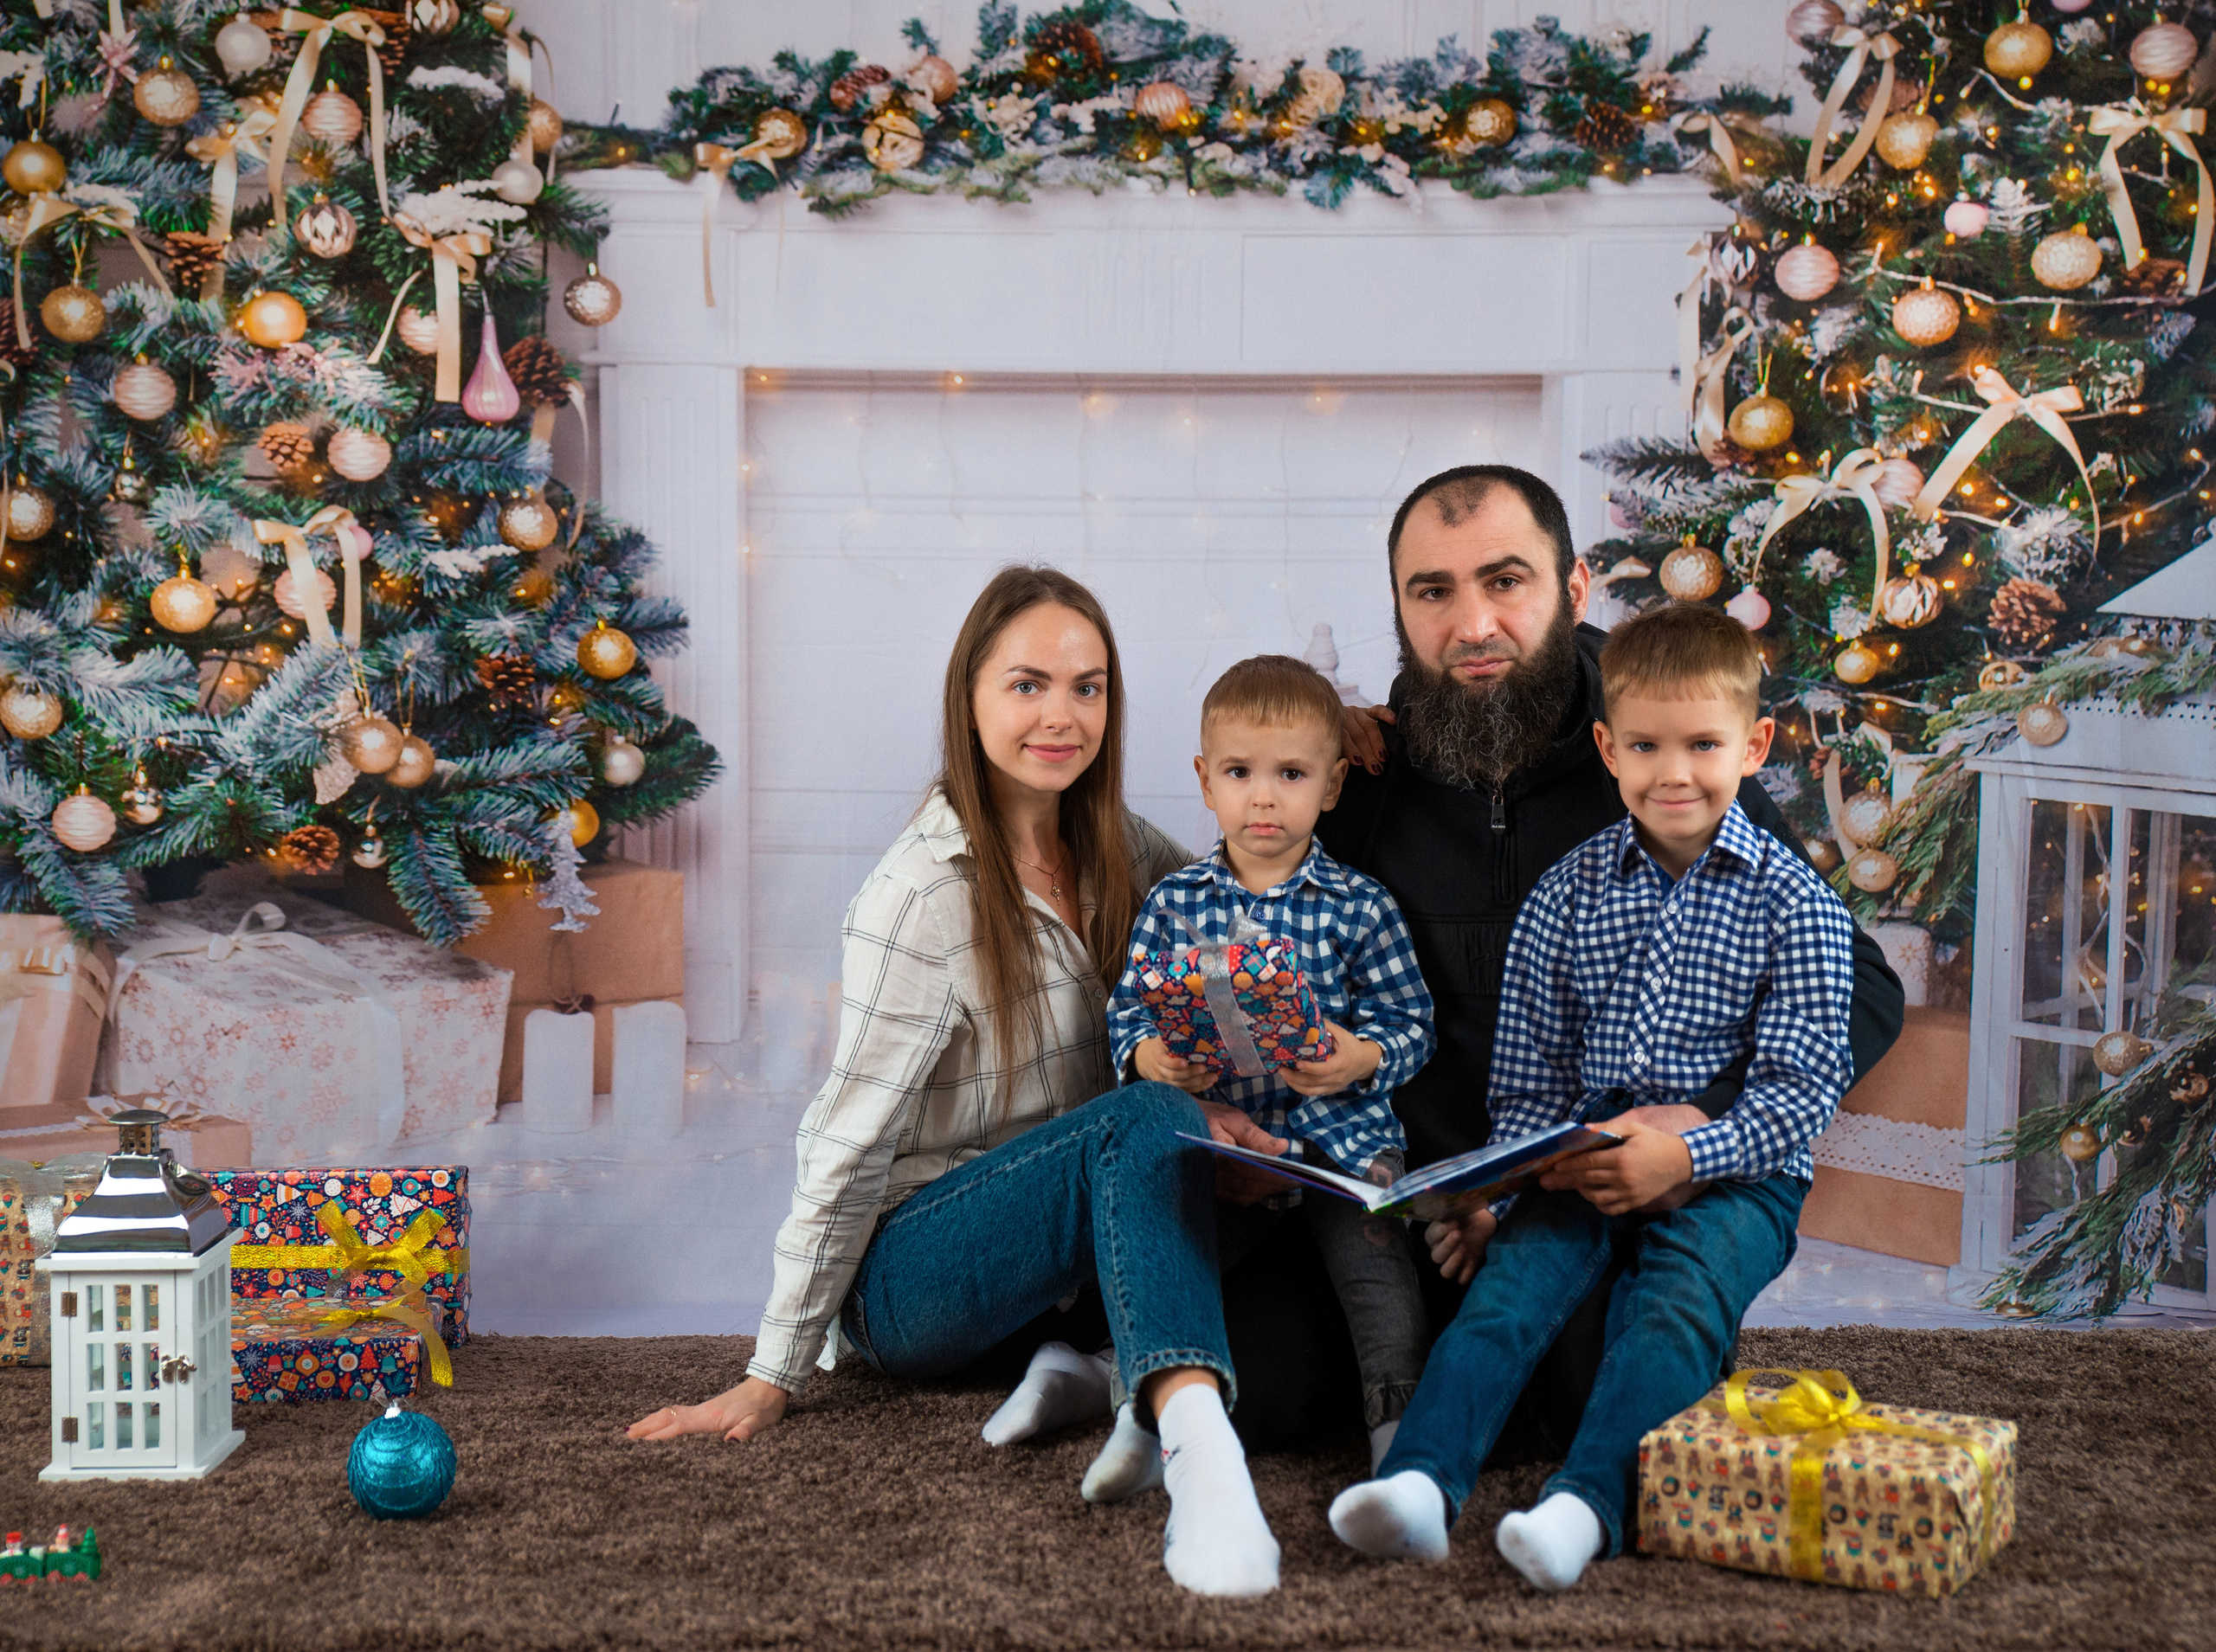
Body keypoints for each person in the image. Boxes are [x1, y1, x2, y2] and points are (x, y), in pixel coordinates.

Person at [625, 565, 1289, 1598]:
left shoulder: (1121, 851)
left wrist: (1349, 762)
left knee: (1263, 1153)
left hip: (1047, 1266)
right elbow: (843, 1146)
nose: (1061, 716)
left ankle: (1090, 1371)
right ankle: (1203, 1464)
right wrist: (772, 1373)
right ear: (969, 697)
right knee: (1152, 1116)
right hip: (913, 1278)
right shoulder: (921, 897)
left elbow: (1259, 877)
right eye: (1027, 684)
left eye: (1088, 687)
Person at [1207, 464, 1904, 1444]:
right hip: (1405, 1210)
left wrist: (1699, 1131)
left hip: (1577, 1209)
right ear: (1401, 609)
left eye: (1505, 581)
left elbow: (1859, 985)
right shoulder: (1355, 775)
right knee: (1259, 1388)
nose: (1473, 625)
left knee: (1581, 1399)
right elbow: (1247, 943)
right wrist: (1246, 1115)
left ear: (1572, 588)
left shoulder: (1658, 754)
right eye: (1433, 591)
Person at [1328, 601, 1858, 1589]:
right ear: (1608, 748)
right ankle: (1417, 1483)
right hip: (1582, 1159)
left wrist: (1689, 1155)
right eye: (1647, 745)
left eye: (1703, 744)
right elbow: (1529, 1084)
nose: (1674, 773)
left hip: (1739, 1177)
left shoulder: (1798, 905)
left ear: (1755, 745)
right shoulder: (1564, 897)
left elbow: (1799, 1092)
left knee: (1673, 1306)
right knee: (1505, 1297)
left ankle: (1586, 1503)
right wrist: (1511, 1189)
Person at [1102, 653, 1436, 1482]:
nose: (1262, 796)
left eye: (1290, 773)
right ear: (1205, 780)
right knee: (1168, 1250)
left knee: (1378, 1274)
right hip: (1224, 1148)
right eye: (1240, 772)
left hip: (1339, 1145)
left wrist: (1362, 1054)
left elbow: (1411, 1023)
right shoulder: (1176, 902)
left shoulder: (1361, 903)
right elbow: (1127, 1012)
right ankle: (1136, 1413)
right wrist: (1151, 1055)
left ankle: (1400, 1432)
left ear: (1329, 786)